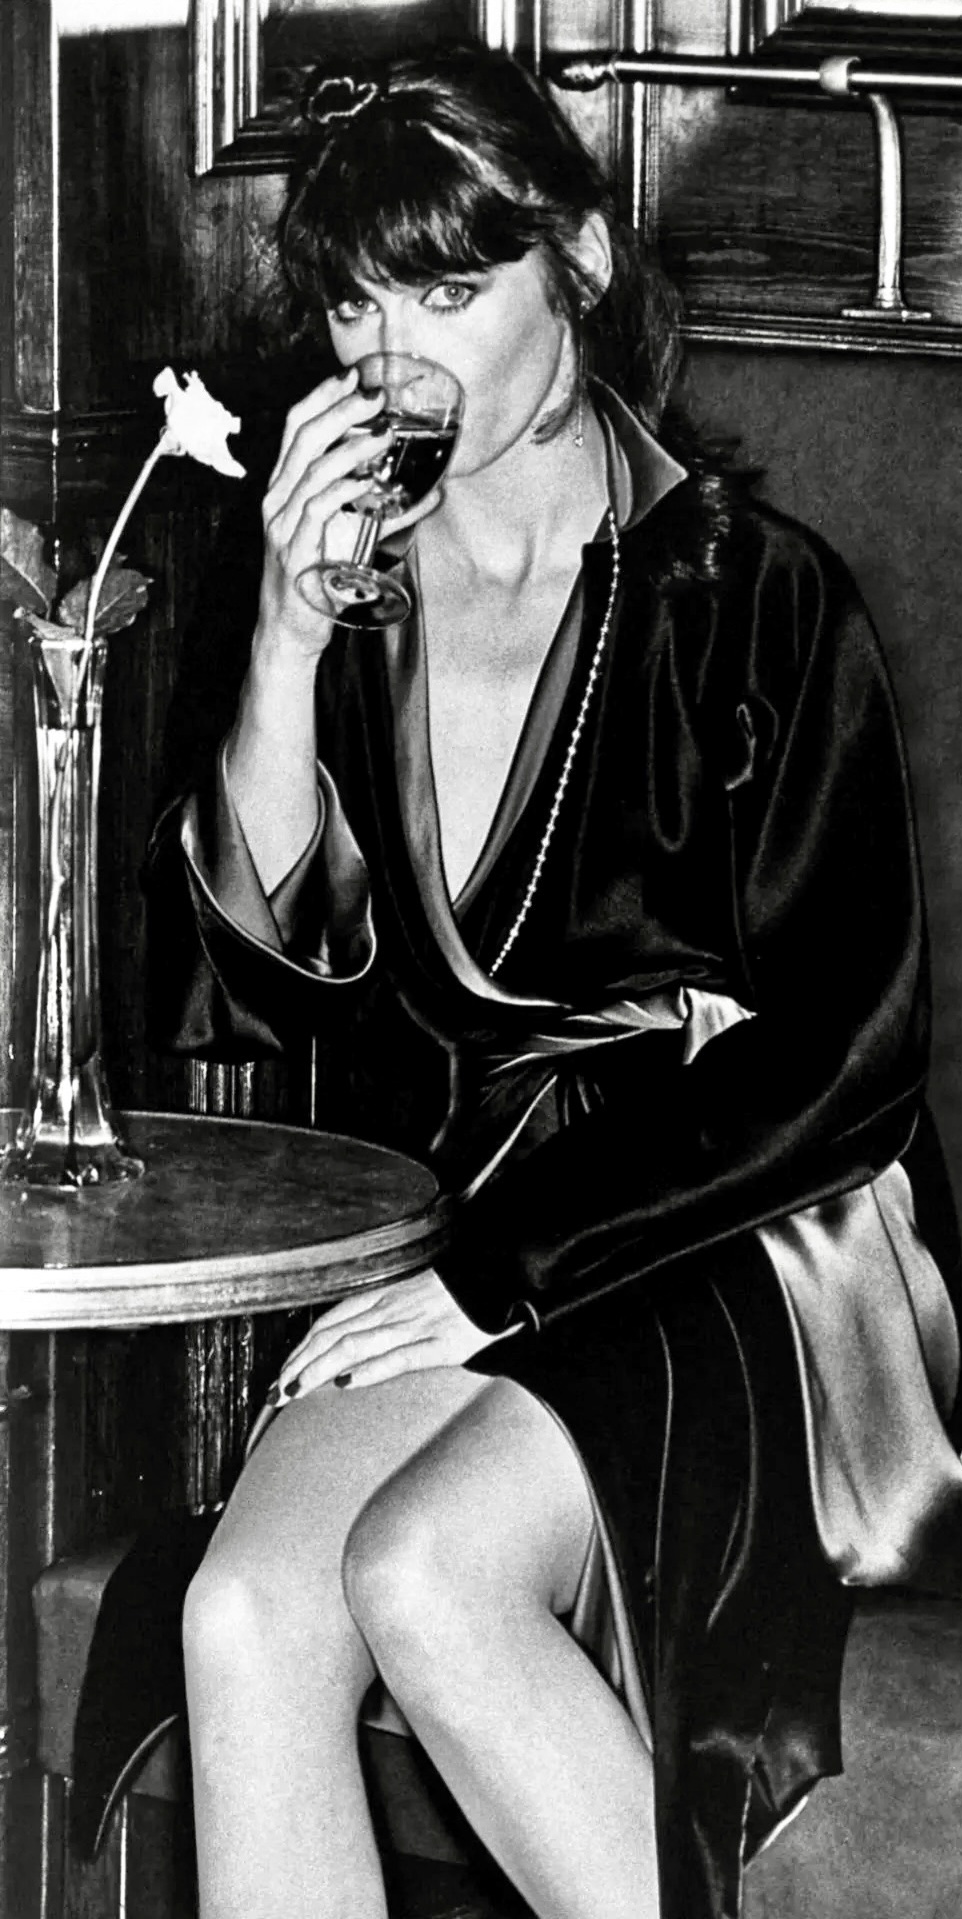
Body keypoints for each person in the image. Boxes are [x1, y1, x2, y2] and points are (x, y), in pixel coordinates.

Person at [144, 44, 962, 1919]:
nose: (391, 359)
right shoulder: (342, 592)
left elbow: (848, 1058)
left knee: (421, 1570)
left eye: (447, 291)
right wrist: (281, 638)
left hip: (748, 1224)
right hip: (476, 1213)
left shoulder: (753, 594)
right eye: (354, 305)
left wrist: (488, 1284)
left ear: (577, 264)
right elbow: (254, 1001)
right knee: (245, 1609)